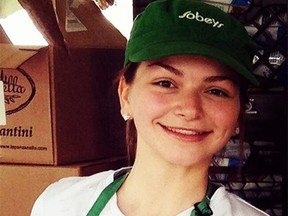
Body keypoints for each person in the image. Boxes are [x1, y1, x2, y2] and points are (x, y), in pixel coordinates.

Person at [31, 0, 269, 215]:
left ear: (238, 114)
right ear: (125, 95)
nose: (190, 109)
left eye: (216, 91)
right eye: (165, 83)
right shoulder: (59, 205)